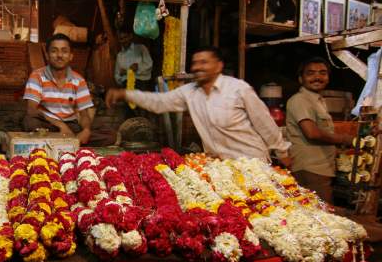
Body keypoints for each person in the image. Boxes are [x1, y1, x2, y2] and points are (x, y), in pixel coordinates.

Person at [106, 46, 292, 165]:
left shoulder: (238, 89)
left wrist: (282, 151)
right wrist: (125, 93)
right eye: (194, 63)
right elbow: (159, 102)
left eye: (204, 62)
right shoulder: (190, 92)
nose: (197, 67)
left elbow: (264, 122)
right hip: (220, 167)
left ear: (218, 66)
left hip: (252, 164)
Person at [23, 33, 113, 146]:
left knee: (109, 134)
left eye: (64, 51)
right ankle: (71, 141)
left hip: (71, 125)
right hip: (46, 124)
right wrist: (61, 125)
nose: (59, 55)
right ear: (47, 55)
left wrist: (86, 130)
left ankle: (65, 140)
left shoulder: (79, 80)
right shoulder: (37, 76)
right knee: (31, 123)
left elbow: (84, 114)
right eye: (54, 51)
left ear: (71, 56)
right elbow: (32, 110)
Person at [286, 57, 354, 203]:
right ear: (300, 79)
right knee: (320, 218)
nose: (317, 77)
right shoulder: (300, 100)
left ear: (328, 78)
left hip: (321, 169)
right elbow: (312, 133)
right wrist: (345, 139)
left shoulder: (318, 101)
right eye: (310, 73)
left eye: (322, 73)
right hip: (311, 170)